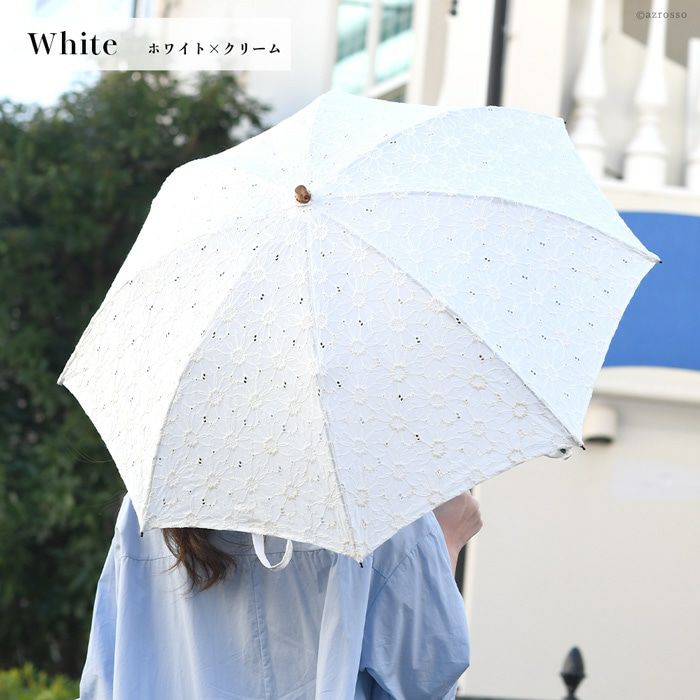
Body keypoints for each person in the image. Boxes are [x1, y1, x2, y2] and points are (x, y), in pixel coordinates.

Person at [78, 490, 482, 700]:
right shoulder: (382, 508)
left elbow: (103, 681)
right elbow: (426, 679)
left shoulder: (147, 509)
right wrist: (445, 543)